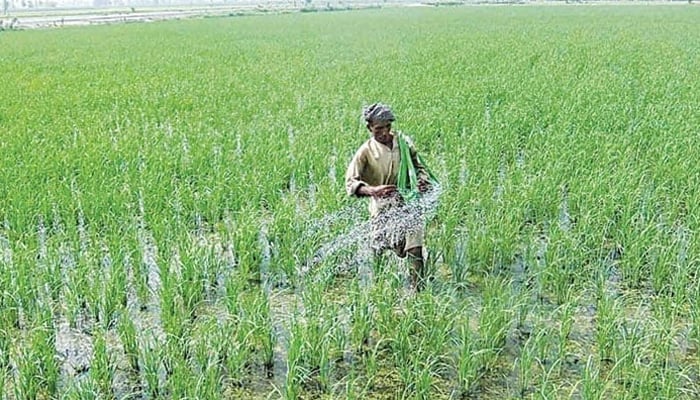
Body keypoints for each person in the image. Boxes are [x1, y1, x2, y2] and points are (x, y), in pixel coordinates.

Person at [345, 102, 432, 291]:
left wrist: (422, 181)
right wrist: (373, 191)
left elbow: (419, 168)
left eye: (387, 127)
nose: (384, 133)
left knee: (414, 247)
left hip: (408, 204)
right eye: (378, 129)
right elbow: (351, 183)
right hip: (382, 207)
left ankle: (418, 290)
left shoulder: (403, 144)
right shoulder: (366, 151)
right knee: (379, 249)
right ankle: (380, 289)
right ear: (369, 128)